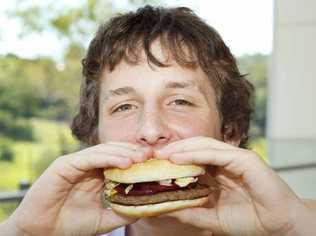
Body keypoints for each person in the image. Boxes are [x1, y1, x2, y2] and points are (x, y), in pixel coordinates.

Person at [1, 5, 315, 236]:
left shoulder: (292, 222)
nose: (150, 131)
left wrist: (294, 227)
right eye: (124, 106)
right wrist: (22, 232)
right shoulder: (53, 231)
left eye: (180, 101)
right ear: (95, 139)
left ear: (229, 131)